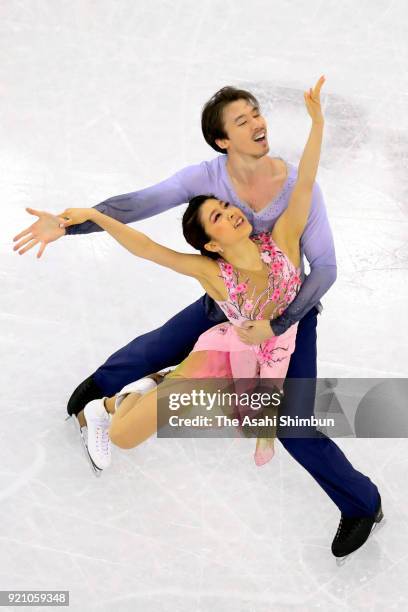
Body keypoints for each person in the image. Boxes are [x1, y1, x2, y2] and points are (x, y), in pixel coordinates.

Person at [13, 78, 382, 559]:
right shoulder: (206, 190)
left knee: (291, 423)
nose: (257, 123)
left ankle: (361, 503)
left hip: (288, 318)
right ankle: (108, 389)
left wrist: (280, 322)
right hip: (232, 307)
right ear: (222, 141)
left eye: (256, 113)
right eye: (241, 120)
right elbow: (142, 214)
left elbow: (326, 265)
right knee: (166, 340)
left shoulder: (290, 204)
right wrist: (73, 222)